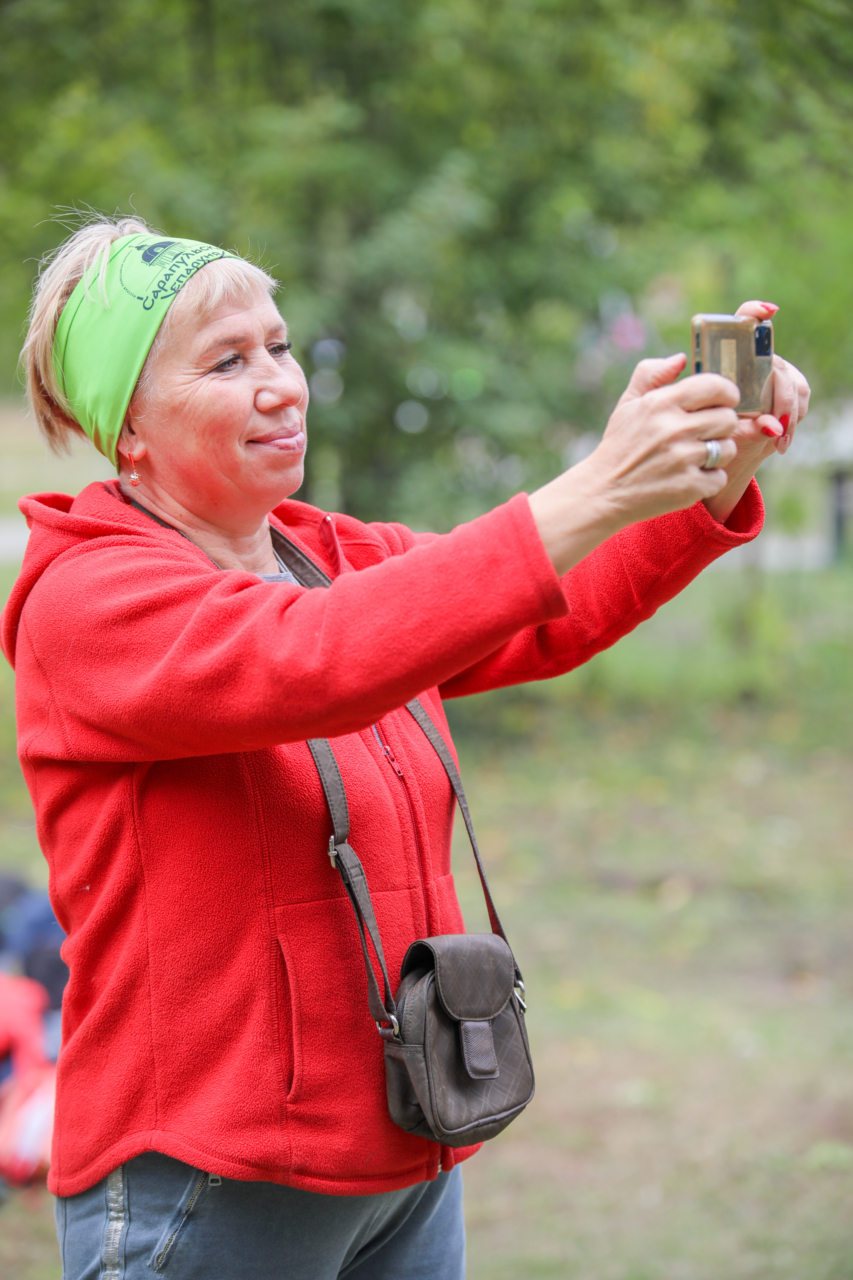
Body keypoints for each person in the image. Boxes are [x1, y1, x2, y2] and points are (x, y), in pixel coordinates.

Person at [2, 217, 809, 1279]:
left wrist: (706, 477)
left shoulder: (329, 553)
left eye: (281, 346)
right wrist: (595, 481)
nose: (282, 384)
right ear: (131, 425)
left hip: (403, 1146)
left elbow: (537, 610)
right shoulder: (90, 599)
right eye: (227, 361)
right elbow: (317, 659)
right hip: (209, 1178)